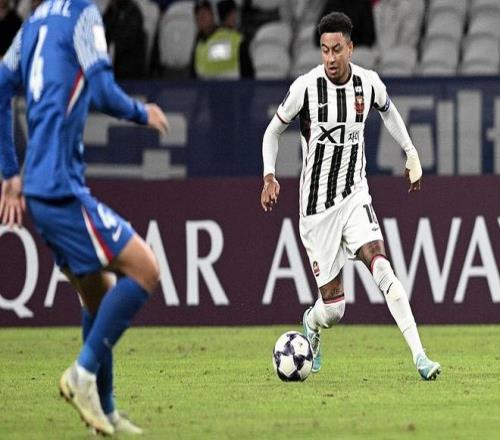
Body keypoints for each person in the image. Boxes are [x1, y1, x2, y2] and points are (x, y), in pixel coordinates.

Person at [0, 0, 169, 435]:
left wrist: (9, 172)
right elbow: (103, 90)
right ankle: (81, 374)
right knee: (146, 270)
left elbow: (0, 85)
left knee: (98, 295)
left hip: (41, 186)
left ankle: (105, 412)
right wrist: (142, 112)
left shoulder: (32, 24)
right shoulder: (82, 14)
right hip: (60, 187)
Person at [260, 12, 441, 381]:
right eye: (325, 50)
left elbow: (390, 113)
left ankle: (421, 357)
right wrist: (269, 176)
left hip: (355, 196)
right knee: (334, 310)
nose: (330, 57)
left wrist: (411, 153)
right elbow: (272, 132)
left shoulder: (367, 83)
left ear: (350, 48)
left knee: (383, 267)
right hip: (316, 211)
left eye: (337, 49)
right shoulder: (305, 88)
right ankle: (311, 321)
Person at [103, 0, 147, 78]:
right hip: (113, 68)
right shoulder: (111, 10)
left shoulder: (133, 11)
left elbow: (126, 41)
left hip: (131, 71)